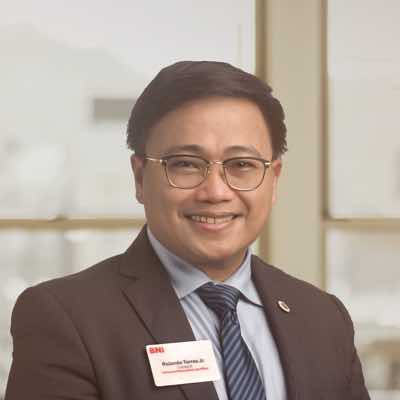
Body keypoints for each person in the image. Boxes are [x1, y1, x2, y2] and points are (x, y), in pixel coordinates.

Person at [5, 61, 370, 400]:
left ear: (273, 180)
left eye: (242, 164)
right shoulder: (66, 318)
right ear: (140, 178)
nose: (215, 192)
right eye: (185, 164)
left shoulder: (323, 317)